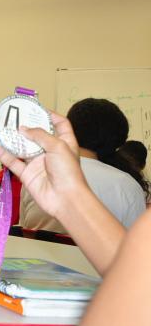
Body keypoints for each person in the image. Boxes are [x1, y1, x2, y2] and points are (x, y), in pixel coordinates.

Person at [0, 112, 151, 326]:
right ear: (117, 141)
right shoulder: (127, 185)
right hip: (87, 308)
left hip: (30, 308)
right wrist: (71, 198)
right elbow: (135, 272)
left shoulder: (39, 178)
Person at [21, 98, 146, 233]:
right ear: (117, 140)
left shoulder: (37, 175)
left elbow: (24, 230)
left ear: (70, 128)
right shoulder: (126, 185)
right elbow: (136, 248)